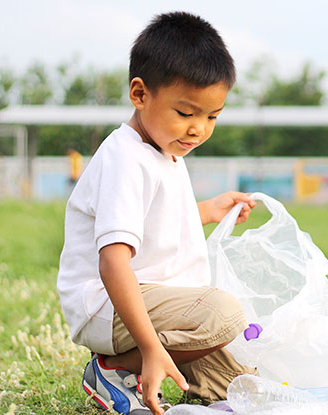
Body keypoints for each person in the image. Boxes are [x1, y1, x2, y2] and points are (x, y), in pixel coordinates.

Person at [57, 12, 257, 415]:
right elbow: (113, 261)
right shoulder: (126, 157)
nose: (198, 128)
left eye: (212, 116)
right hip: (108, 306)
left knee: (244, 388)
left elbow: (152, 221)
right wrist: (149, 348)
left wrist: (207, 210)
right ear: (140, 94)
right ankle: (114, 369)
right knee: (222, 315)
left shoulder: (163, 148)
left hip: (147, 299)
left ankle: (167, 369)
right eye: (186, 113)